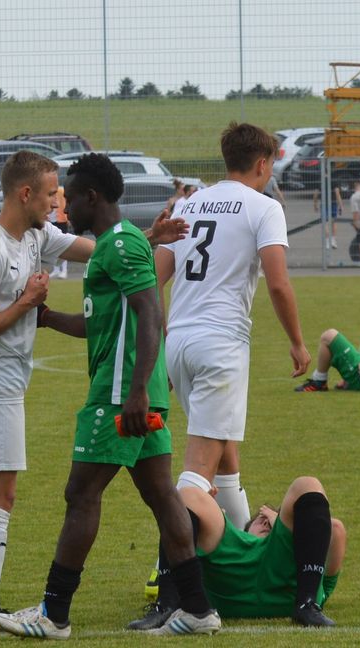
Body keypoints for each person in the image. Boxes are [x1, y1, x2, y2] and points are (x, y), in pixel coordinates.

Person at [0, 151, 188, 635]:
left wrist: (148, 237)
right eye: (51, 193)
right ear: (25, 194)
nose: (58, 202)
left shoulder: (37, 234)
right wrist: (28, 303)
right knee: (1, 492)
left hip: (7, 376)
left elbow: (99, 248)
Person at [0, 154, 221, 639]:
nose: (64, 206)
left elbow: (151, 313)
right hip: (134, 391)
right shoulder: (115, 245)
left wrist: (135, 391)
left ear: (91, 197)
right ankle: (198, 609)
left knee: (81, 494)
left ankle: (54, 613)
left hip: (121, 395)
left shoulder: (119, 245)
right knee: (162, 496)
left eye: (69, 197)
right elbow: (100, 323)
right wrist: (47, 318)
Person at [154, 121, 309, 542]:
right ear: (262, 164)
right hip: (220, 344)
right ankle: (167, 569)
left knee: (224, 456)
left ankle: (247, 545)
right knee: (197, 471)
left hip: (180, 342)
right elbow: (278, 283)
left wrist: (166, 339)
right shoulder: (263, 208)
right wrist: (297, 342)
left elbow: (153, 279)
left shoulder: (189, 203)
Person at [132, 476, 346, 629]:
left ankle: (307, 605)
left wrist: (286, 528)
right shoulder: (234, 540)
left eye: (269, 521)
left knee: (308, 483)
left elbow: (335, 529)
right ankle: (167, 604)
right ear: (245, 528)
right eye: (260, 520)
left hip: (290, 579)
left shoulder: (297, 553)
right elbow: (185, 532)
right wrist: (205, 514)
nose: (265, 522)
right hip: (228, 571)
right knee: (188, 495)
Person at [313, 185, 343, 250]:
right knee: (333, 222)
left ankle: (327, 242)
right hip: (333, 202)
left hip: (324, 203)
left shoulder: (320, 180)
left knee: (325, 222)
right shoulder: (334, 180)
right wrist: (340, 205)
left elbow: (315, 194)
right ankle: (333, 241)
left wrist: (315, 204)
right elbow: (337, 193)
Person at [49, 185, 69, 278]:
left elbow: (65, 203)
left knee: (63, 246)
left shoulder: (61, 190)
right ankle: (56, 270)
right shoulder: (46, 190)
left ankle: (64, 270)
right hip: (51, 221)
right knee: (53, 247)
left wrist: (67, 218)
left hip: (61, 220)